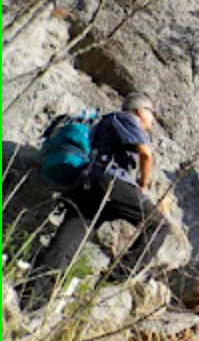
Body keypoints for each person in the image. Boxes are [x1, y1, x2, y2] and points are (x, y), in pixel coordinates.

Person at [38, 92, 176, 283]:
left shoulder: (101, 125)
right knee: (158, 225)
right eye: (152, 113)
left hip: (84, 186)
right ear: (139, 111)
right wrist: (142, 184)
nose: (153, 119)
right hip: (108, 182)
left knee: (67, 243)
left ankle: (34, 293)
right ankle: (115, 278)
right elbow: (145, 154)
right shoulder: (124, 118)